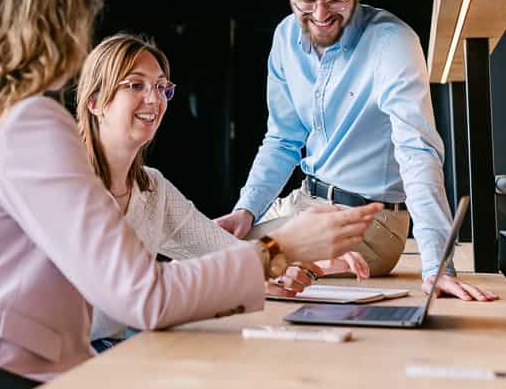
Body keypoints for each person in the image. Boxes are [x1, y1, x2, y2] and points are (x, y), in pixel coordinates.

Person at [0, 0, 381, 382]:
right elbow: (144, 296)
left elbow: (183, 268)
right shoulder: (27, 124)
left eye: (159, 87)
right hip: (8, 387)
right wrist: (280, 248)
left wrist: (285, 258)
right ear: (66, 21)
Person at [215, 0, 497, 302]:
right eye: (307, 2)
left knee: (248, 268)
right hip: (304, 205)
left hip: (369, 220)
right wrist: (245, 210)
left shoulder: (393, 43)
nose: (320, 16)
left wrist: (436, 266)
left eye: (334, 0)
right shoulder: (284, 38)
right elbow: (282, 139)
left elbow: (417, 151)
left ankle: (311, 264)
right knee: (216, 254)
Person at [76, 33, 369, 351]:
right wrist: (282, 252)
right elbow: (134, 296)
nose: (154, 99)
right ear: (95, 102)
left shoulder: (151, 187)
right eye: (136, 85)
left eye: (162, 87)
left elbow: (223, 251)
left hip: (120, 345)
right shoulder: (72, 186)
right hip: (77, 359)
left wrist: (306, 256)